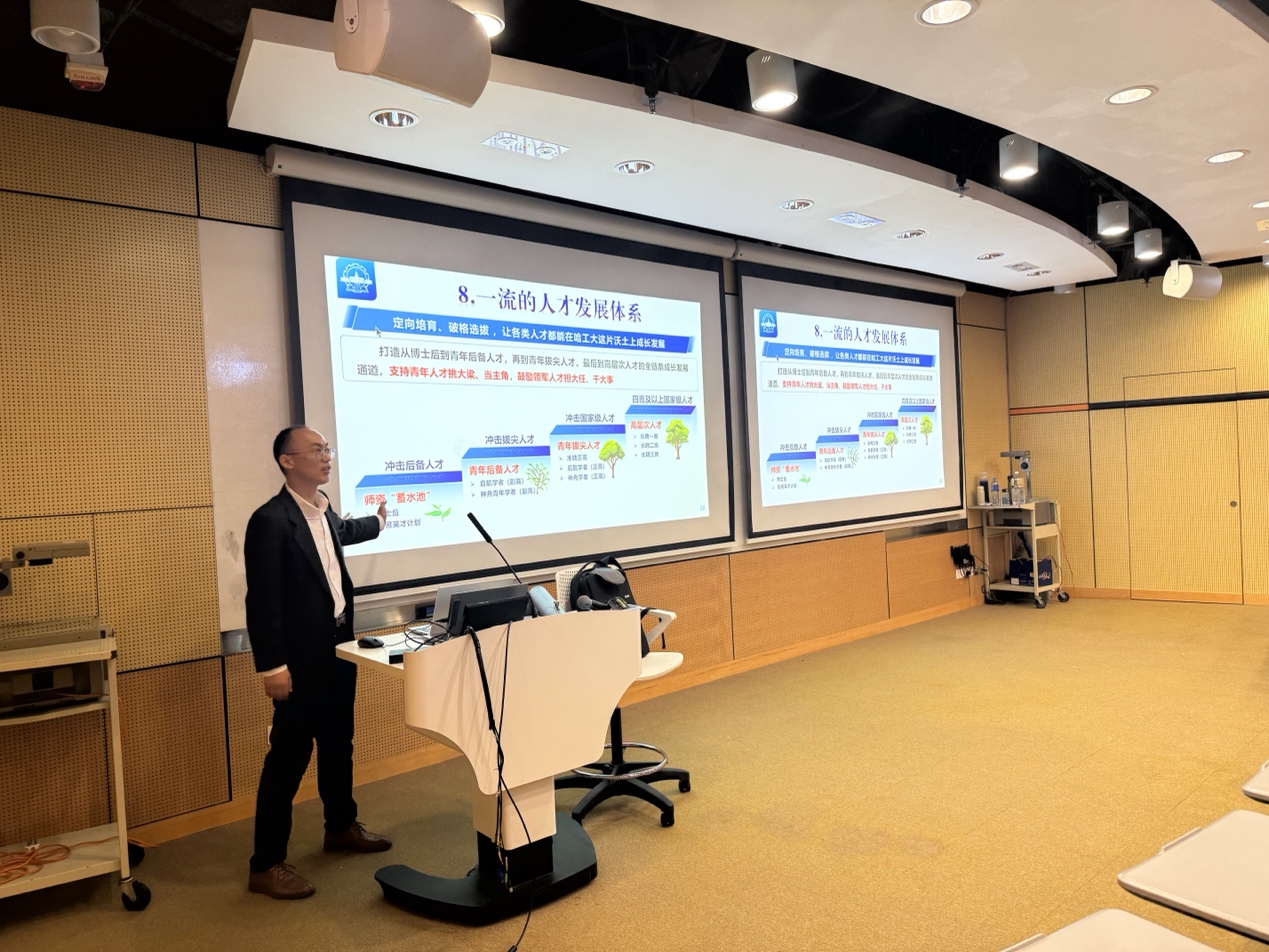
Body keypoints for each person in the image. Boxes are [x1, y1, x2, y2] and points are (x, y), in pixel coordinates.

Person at [243, 425, 391, 900]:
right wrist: (272, 667)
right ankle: (265, 864)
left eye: (328, 449)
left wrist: (379, 523)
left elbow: (345, 531)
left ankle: (340, 826)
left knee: (338, 743)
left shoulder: (323, 511)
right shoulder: (270, 521)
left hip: (338, 647)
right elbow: (261, 601)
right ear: (287, 461)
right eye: (316, 450)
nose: (327, 456)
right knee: (288, 758)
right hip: (298, 659)